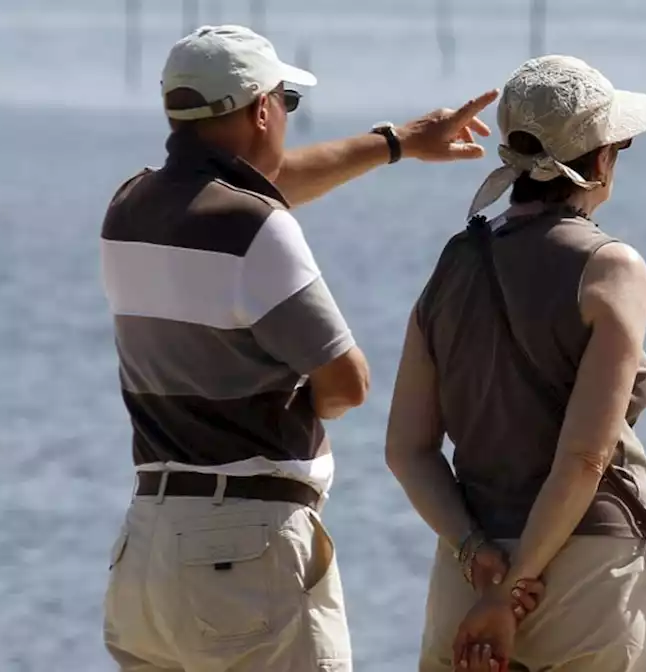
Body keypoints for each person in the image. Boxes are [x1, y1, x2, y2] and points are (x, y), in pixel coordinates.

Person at [99, 24, 502, 672]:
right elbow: (347, 383)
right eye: (286, 103)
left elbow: (263, 191)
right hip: (248, 548)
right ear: (262, 110)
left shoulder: (128, 209)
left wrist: (396, 143)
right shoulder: (256, 228)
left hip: (145, 553)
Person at [385, 54, 646, 672]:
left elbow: (406, 451)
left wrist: (475, 556)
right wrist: (520, 586)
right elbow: (585, 458)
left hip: (469, 578)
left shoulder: (453, 264)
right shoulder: (611, 267)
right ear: (599, 161)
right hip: (584, 572)